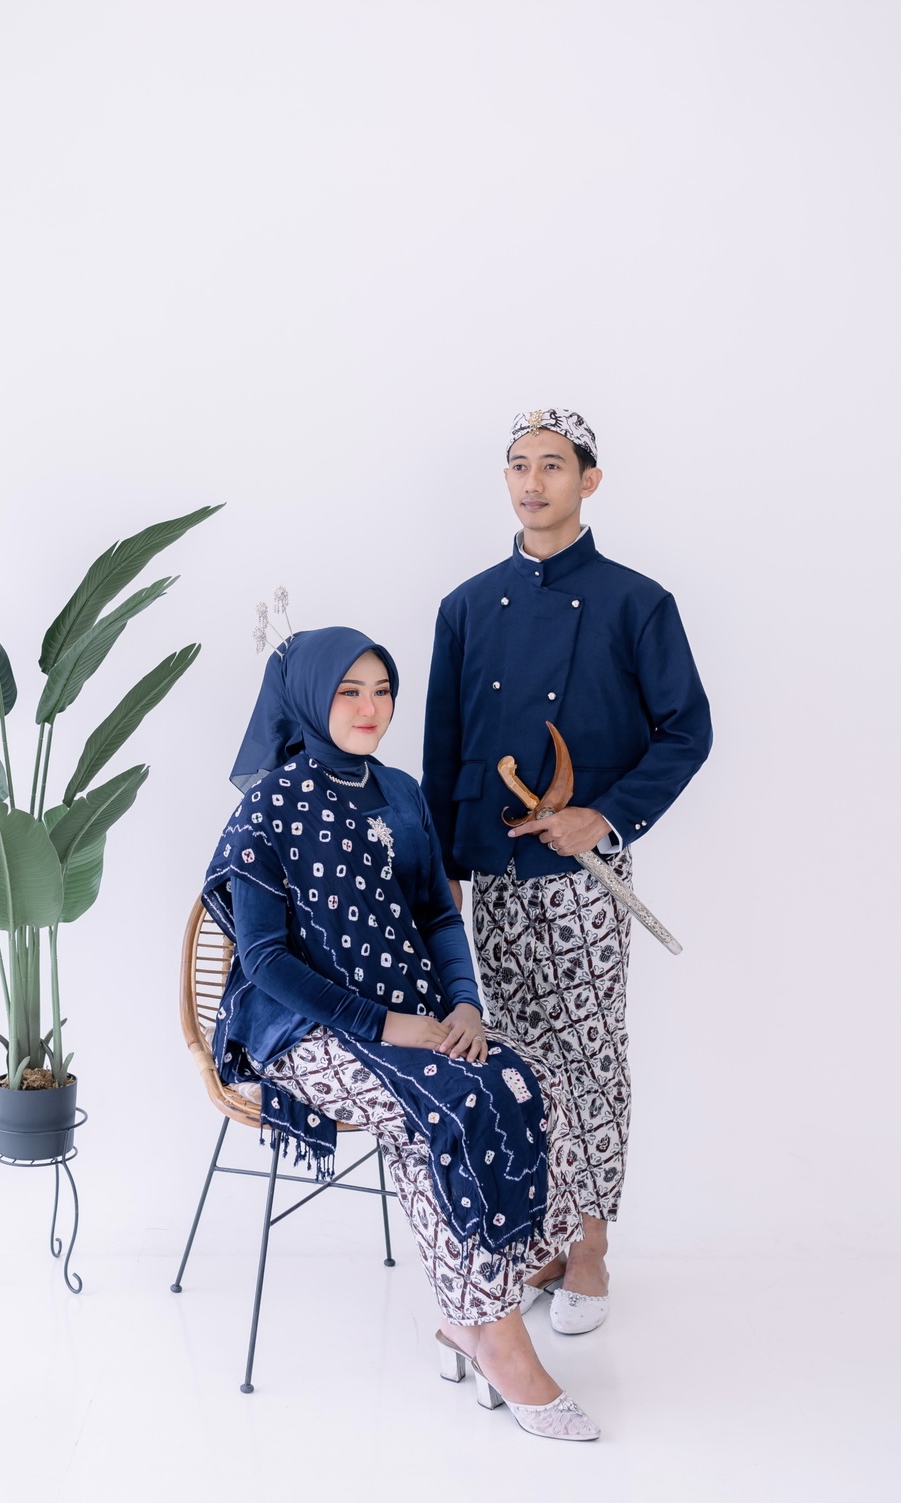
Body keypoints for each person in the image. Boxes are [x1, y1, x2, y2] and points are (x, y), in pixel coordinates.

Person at [204, 626, 601, 1442]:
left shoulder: (400, 790)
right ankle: (493, 1335)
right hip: (303, 1028)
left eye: (382, 689)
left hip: (417, 1011)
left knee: (533, 1081)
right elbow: (265, 960)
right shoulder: (269, 806)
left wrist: (464, 1006)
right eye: (348, 690)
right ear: (309, 698)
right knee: (446, 1110)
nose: (371, 707)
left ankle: (473, 1310)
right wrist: (387, 1024)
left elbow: (435, 916)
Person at [422, 408, 712, 1334]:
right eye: (518, 464)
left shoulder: (636, 601)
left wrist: (606, 814)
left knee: (589, 1051)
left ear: (589, 479)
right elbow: (441, 748)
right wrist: (441, 867)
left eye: (552, 465)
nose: (532, 481)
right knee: (512, 1052)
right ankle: (541, 1233)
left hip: (586, 870)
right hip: (492, 867)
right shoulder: (466, 605)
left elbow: (687, 730)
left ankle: (588, 1242)